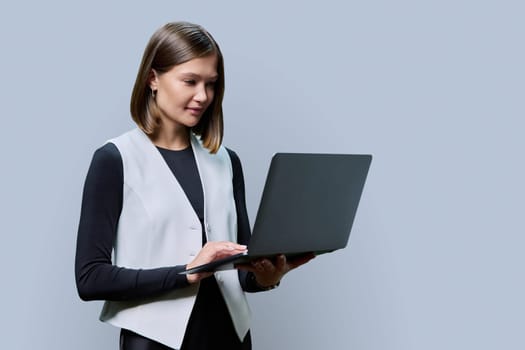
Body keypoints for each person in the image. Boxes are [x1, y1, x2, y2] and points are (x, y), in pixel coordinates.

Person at [75, 21, 313, 350]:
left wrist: (265, 278)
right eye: (190, 81)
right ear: (153, 78)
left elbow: (240, 268)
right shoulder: (115, 160)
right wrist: (185, 272)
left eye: (211, 84)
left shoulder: (227, 161)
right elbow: (89, 278)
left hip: (231, 338)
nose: (203, 96)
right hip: (154, 342)